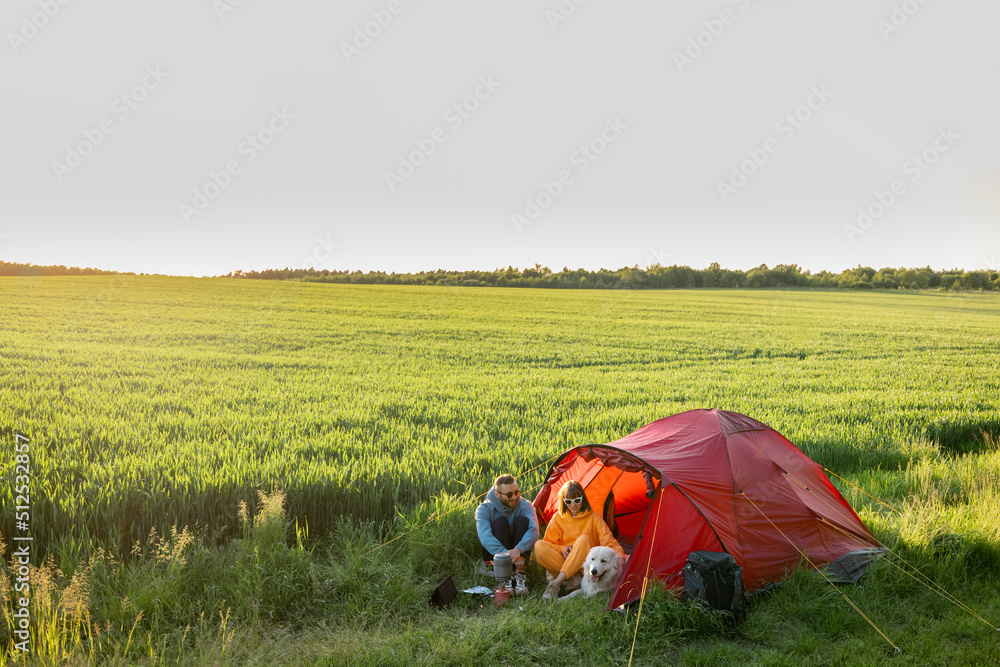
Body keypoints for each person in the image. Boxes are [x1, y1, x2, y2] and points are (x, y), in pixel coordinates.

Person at [535, 479, 625, 601]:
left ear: (583, 499)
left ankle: (555, 584)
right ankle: (573, 581)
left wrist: (620, 558)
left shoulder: (593, 518)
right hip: (564, 564)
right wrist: (562, 548)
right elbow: (549, 544)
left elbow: (610, 542)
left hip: (589, 568)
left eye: (577, 500)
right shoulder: (558, 518)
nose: (573, 505)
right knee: (539, 546)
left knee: (583, 540)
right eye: (569, 501)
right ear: (563, 502)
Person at [475, 474, 539, 577]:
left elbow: (534, 530)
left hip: (519, 556)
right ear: (497, 494)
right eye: (509, 494)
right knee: (500, 521)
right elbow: (485, 537)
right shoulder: (484, 509)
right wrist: (506, 554)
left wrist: (518, 550)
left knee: (522, 520)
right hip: (496, 558)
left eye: (517, 492)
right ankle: (501, 572)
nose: (514, 497)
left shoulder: (526, 506)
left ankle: (519, 572)